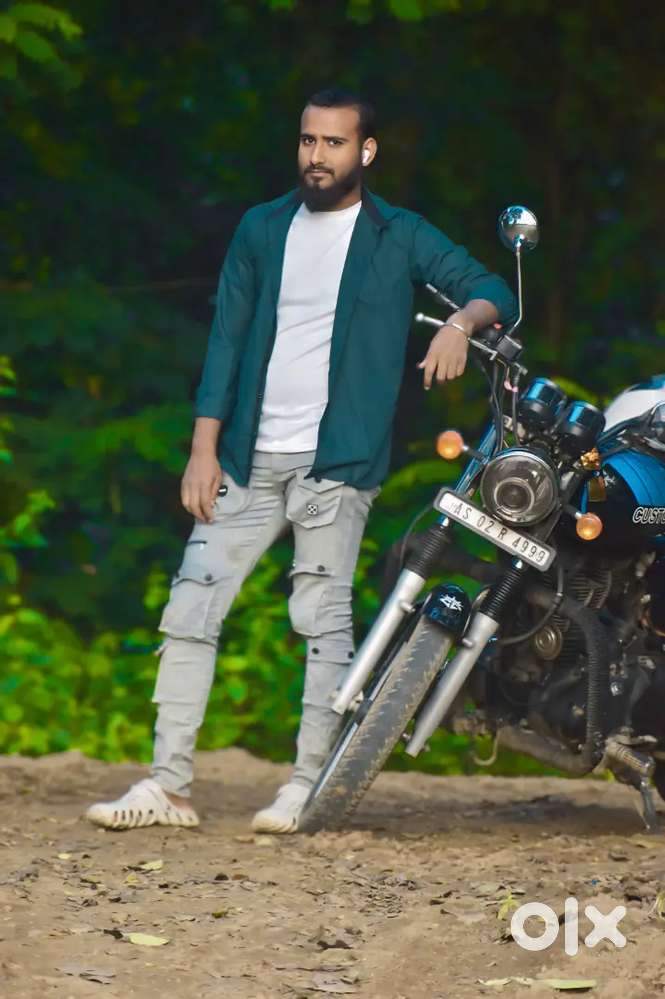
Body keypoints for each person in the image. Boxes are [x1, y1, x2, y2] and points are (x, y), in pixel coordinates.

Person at [86, 86, 517, 834]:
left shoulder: (399, 235)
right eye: (308, 141)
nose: (317, 156)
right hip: (246, 457)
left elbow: (490, 290)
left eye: (334, 143)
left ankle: (306, 785)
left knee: (321, 621)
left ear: (366, 151)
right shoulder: (262, 227)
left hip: (336, 463)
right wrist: (203, 448)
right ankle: (167, 787)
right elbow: (226, 340)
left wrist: (459, 323)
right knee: (190, 608)